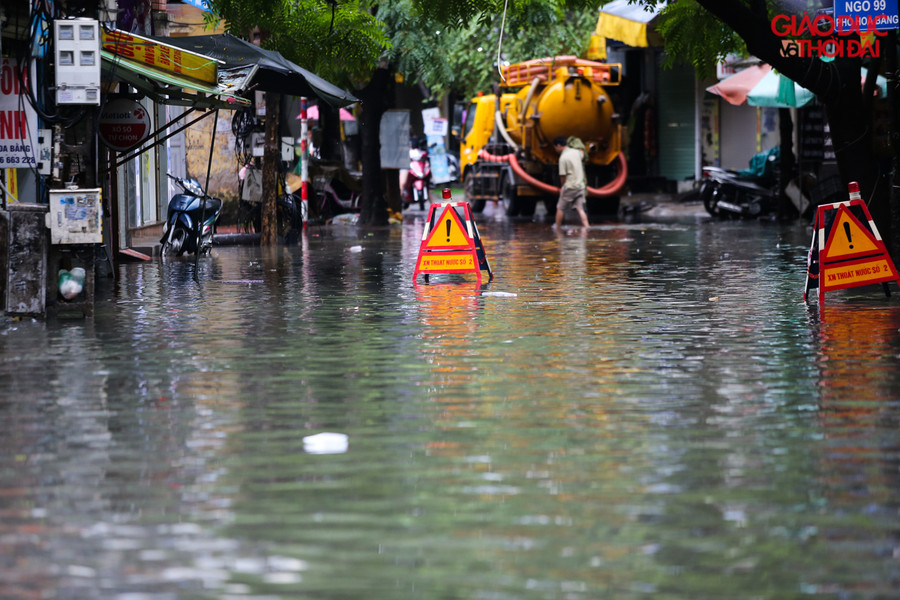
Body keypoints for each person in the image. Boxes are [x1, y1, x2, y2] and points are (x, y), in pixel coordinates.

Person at [553, 136, 590, 228]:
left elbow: (562, 176)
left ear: (558, 145)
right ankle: (587, 226)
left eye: (555, 148)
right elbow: (582, 153)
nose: (555, 150)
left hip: (570, 186)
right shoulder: (577, 153)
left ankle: (557, 227)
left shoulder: (563, 158)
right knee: (580, 208)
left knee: (560, 207)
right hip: (580, 186)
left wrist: (563, 187)